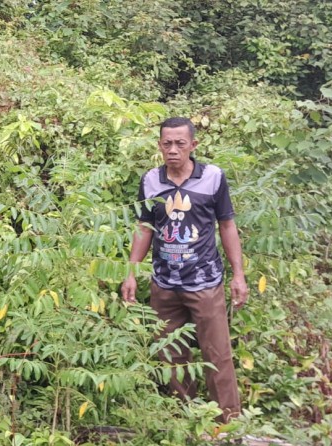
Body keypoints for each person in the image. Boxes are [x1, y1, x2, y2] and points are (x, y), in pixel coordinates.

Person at [120, 117, 247, 422]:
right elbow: (145, 227)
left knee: (217, 354)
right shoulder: (151, 181)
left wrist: (238, 275)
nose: (173, 149)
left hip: (205, 283)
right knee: (170, 354)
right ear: (159, 146)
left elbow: (227, 225)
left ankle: (227, 423)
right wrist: (131, 273)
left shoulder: (213, 178)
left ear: (193, 145)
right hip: (164, 285)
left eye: (180, 143)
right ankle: (184, 419)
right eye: (167, 143)